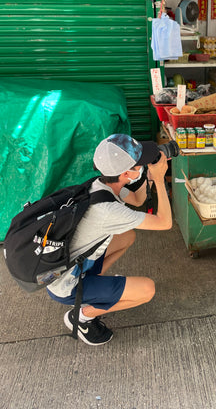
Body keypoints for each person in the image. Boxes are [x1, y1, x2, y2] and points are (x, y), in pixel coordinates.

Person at [46, 133, 172, 346]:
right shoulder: (108, 211)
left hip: (72, 265)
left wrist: (148, 178)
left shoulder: (101, 185)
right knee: (147, 289)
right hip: (67, 285)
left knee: (127, 236)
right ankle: (82, 315)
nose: (142, 166)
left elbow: (138, 199)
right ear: (125, 173)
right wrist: (160, 180)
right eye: (139, 164)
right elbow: (164, 222)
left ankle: (96, 286)